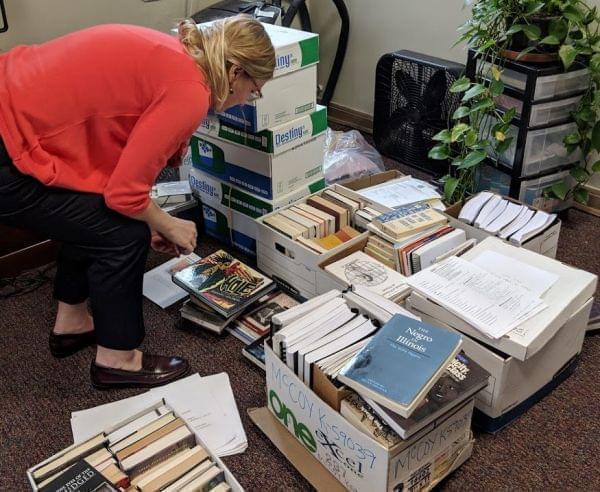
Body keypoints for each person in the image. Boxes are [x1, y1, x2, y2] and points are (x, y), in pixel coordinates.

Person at [0, 16, 275, 389]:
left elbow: (112, 165)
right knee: (123, 233)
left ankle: (73, 323)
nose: (247, 101)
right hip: (8, 151)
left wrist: (153, 219)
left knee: (96, 211)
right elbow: (124, 193)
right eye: (253, 90)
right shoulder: (190, 91)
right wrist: (163, 222)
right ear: (234, 71)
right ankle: (118, 359)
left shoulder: (175, 52)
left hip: (11, 108)